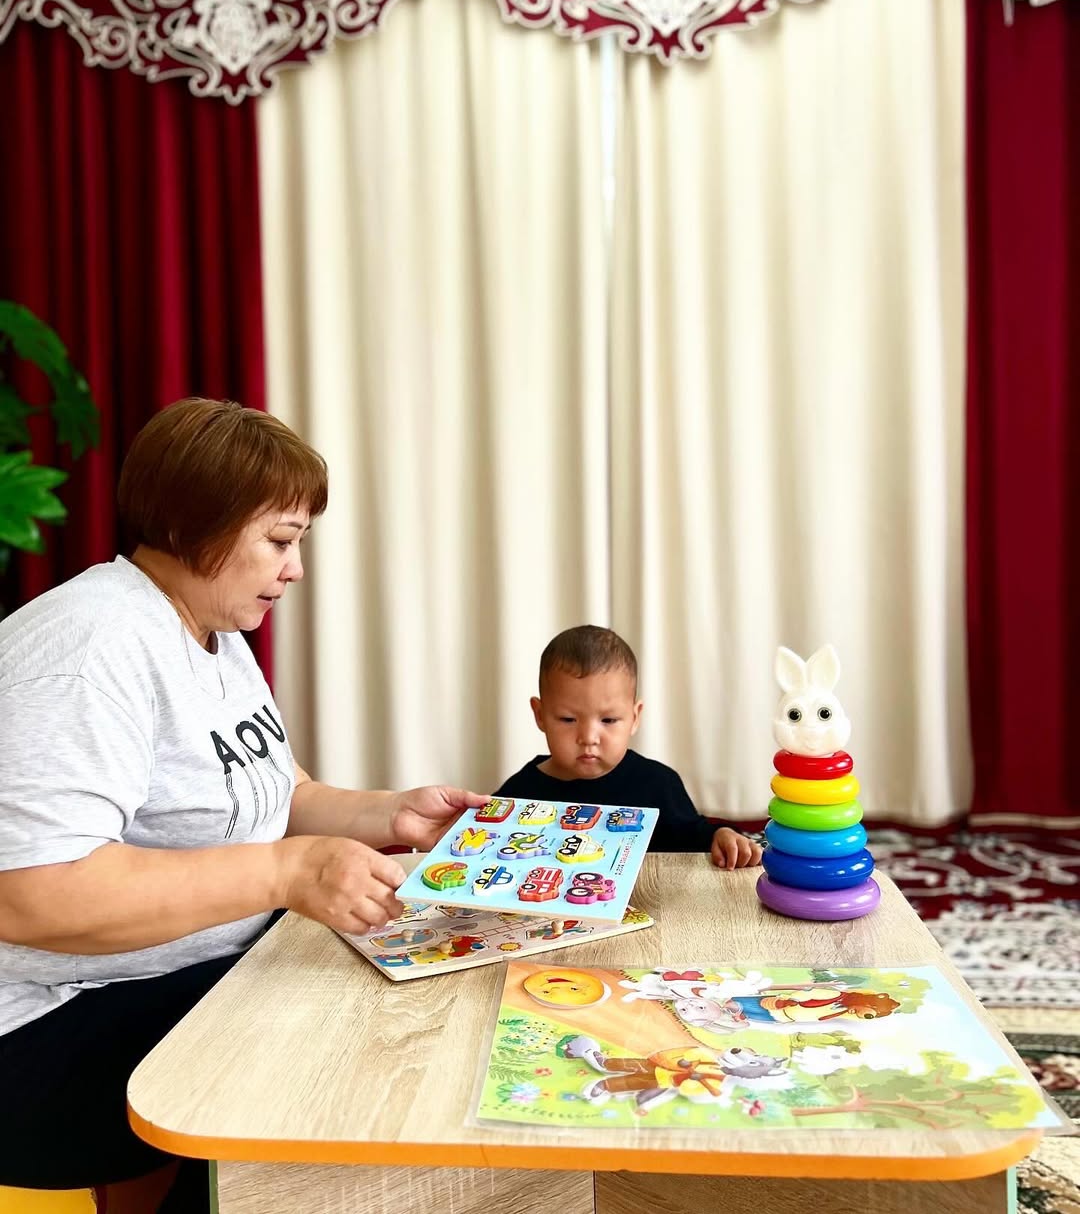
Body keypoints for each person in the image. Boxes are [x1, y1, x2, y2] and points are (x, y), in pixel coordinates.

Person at [0, 398, 487, 1213]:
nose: (294, 570)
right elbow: (32, 894)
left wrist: (393, 815)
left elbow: (277, 796)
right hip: (37, 1033)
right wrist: (284, 873)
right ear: (198, 525)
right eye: (280, 541)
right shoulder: (92, 649)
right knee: (364, 1038)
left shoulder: (213, 634)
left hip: (167, 978)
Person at [494, 626, 762, 867]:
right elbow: (486, 837)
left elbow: (694, 835)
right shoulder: (521, 792)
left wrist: (721, 835)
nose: (588, 737)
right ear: (540, 715)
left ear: (634, 718)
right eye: (568, 719)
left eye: (608, 720)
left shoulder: (657, 783)